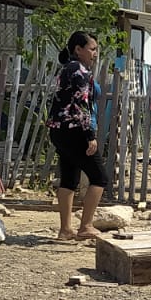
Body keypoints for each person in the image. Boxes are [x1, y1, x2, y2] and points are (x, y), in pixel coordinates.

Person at [47, 30, 109, 240]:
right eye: (92, 49)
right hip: (75, 131)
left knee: (69, 179)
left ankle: (65, 229)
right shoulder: (80, 71)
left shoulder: (67, 68)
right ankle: (86, 226)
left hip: (59, 130)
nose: (95, 54)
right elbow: (81, 105)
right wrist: (90, 135)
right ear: (78, 49)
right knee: (99, 177)